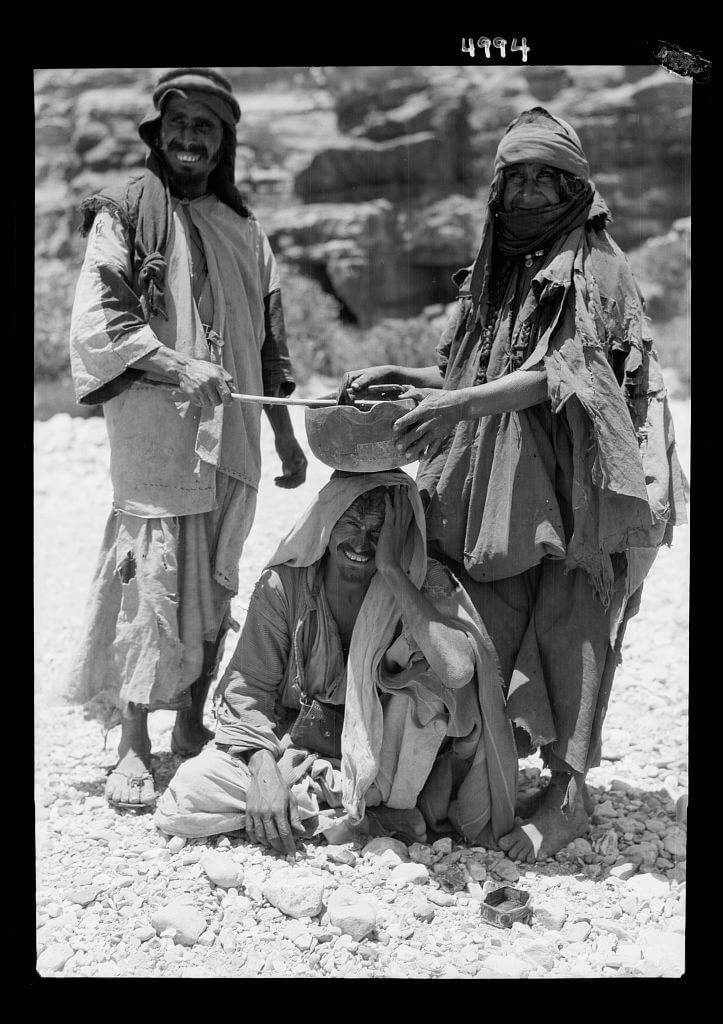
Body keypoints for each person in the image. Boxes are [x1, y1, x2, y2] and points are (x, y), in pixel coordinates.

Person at [343, 107, 689, 862]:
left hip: (588, 479)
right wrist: (409, 378)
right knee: (488, 611)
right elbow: (478, 369)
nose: (530, 190)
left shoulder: (594, 266)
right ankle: (493, 761)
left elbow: (567, 373)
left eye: (547, 176)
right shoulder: (498, 268)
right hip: (505, 479)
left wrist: (459, 405)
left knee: (575, 623)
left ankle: (569, 793)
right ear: (498, 186)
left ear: (574, 185)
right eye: (517, 175)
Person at [64, 68, 308, 811]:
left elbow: (267, 346)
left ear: (223, 140)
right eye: (179, 124)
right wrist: (176, 364)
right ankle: (133, 743)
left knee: (215, 578)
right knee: (152, 578)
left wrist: (287, 440)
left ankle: (193, 722)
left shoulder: (245, 230)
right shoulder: (125, 214)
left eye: (206, 127)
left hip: (233, 435)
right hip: (154, 433)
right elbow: (99, 322)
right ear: (158, 132)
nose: (190, 138)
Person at [154, 471, 518, 852]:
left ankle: (344, 812)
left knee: (431, 691)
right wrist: (263, 772)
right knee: (187, 796)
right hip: (295, 750)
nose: (362, 543)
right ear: (328, 522)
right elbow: (250, 689)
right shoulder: (285, 585)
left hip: (381, 767)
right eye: (352, 524)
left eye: (378, 533)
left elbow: (457, 671)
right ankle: (360, 819)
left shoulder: (417, 581)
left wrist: (392, 569)